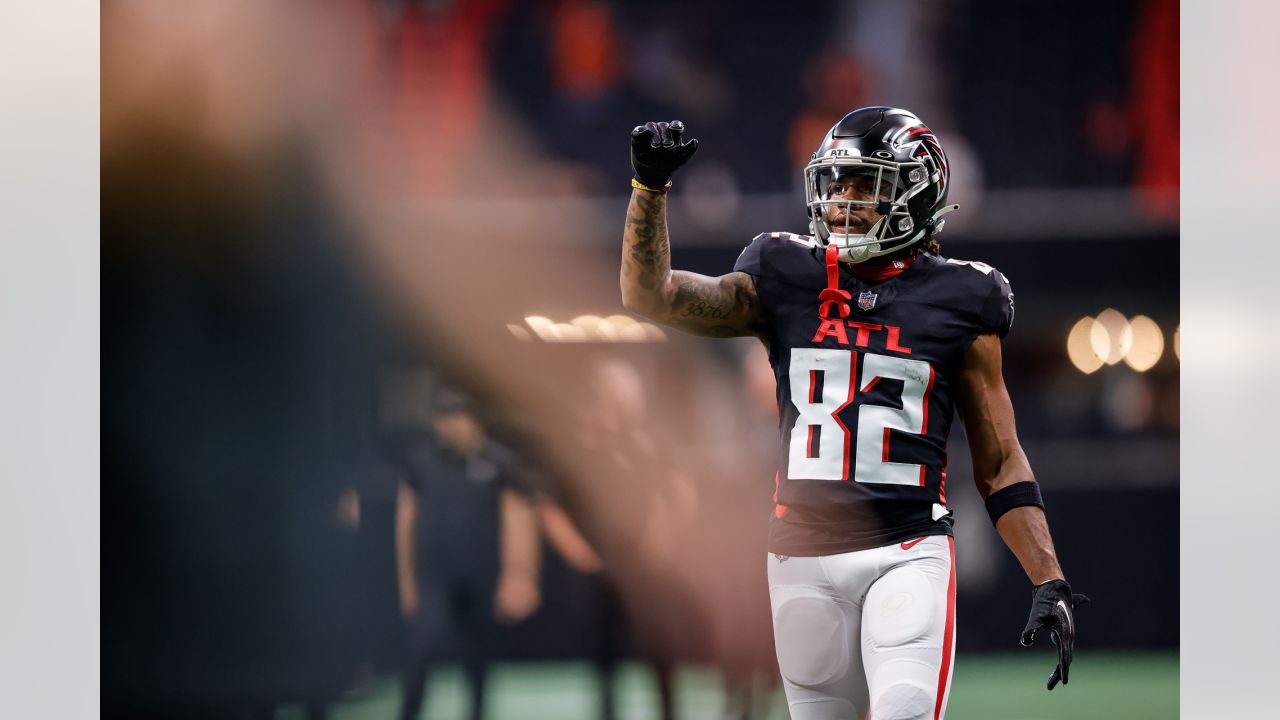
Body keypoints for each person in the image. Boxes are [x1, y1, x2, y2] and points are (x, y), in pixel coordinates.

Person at [618, 107, 1088, 720]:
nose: (842, 200)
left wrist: (1047, 577)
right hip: (800, 555)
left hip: (907, 548)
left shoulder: (964, 298)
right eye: (837, 183)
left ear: (918, 195)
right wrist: (649, 190)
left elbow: (999, 461)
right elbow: (649, 297)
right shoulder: (783, 273)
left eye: (865, 185)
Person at [391, 386, 542, 720]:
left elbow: (520, 519)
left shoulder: (500, 463)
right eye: (441, 417)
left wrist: (520, 575)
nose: (446, 425)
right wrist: (406, 582)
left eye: (455, 416)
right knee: (421, 650)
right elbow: (405, 522)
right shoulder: (421, 461)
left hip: (481, 576)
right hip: (435, 578)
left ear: (474, 420)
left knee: (477, 659)